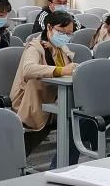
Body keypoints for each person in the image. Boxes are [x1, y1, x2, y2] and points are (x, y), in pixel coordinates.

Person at [10, 9, 80, 167]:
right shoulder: (35, 46)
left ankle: (61, 167)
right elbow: (28, 69)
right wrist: (61, 70)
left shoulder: (60, 47)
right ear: (49, 27)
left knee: (80, 122)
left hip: (54, 100)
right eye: (61, 32)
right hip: (33, 102)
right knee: (75, 122)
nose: (65, 36)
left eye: (69, 34)